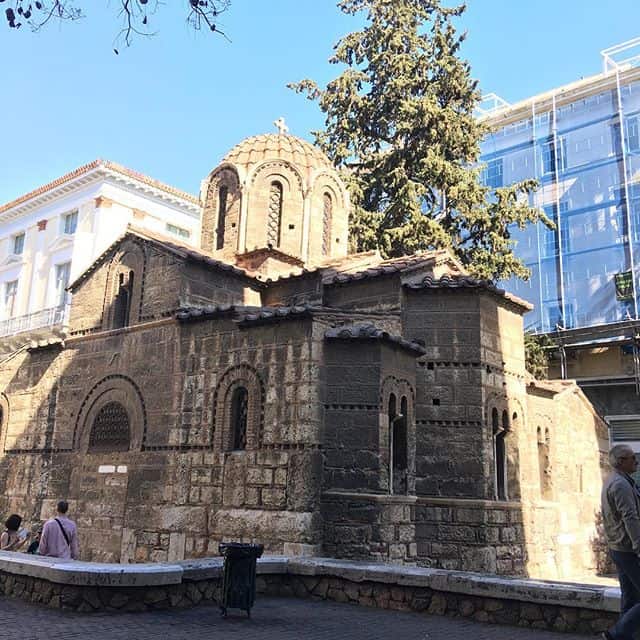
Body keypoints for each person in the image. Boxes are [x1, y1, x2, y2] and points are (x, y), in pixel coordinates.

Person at [601, 444, 640, 639]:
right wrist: (638, 545)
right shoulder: (620, 485)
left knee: (630, 596)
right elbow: (630, 517)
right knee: (631, 595)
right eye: (632, 458)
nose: (636, 461)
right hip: (628, 548)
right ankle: (617, 634)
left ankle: (623, 637)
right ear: (621, 461)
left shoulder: (617, 481)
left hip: (618, 547)